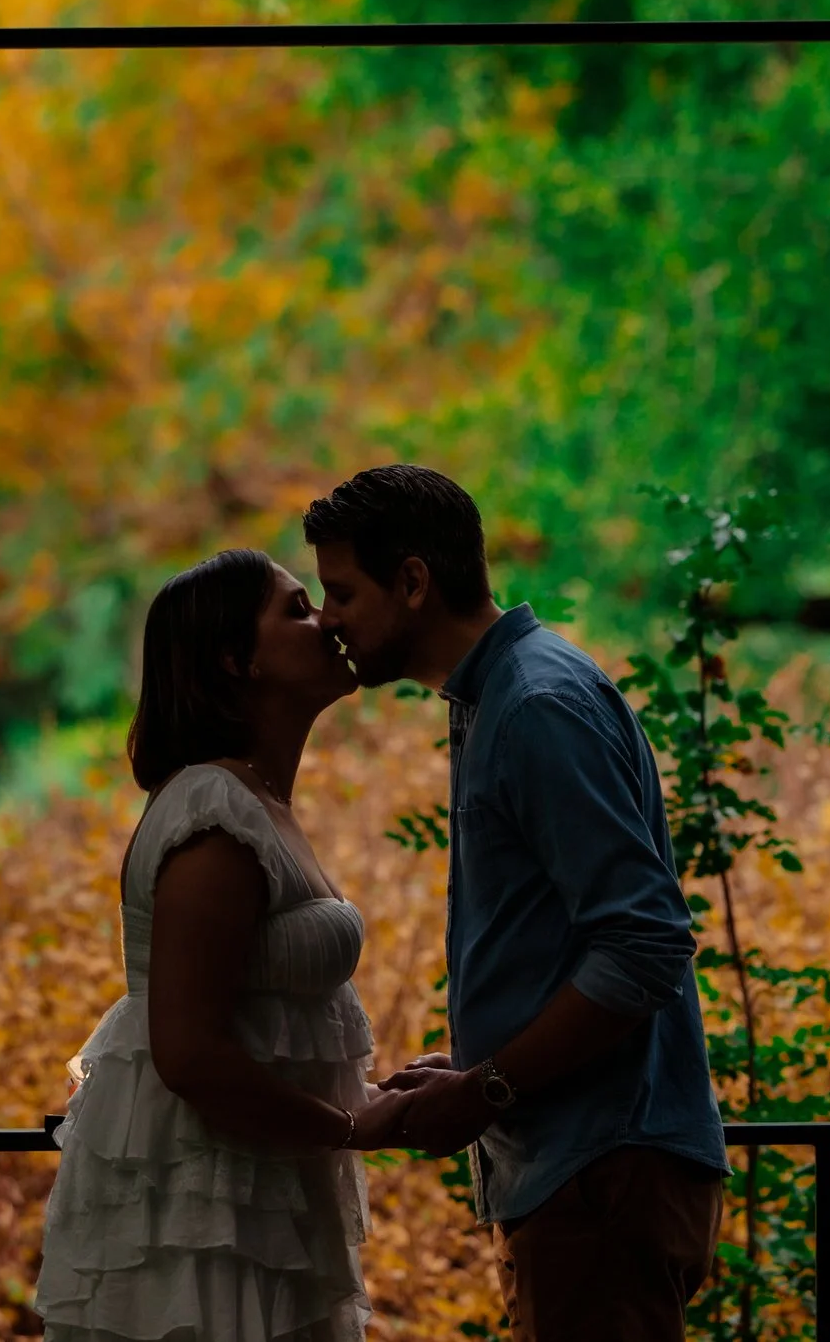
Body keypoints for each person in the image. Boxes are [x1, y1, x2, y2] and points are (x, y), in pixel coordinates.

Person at [306, 464, 728, 1342]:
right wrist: (471, 1064)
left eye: (341, 591)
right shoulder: (503, 696)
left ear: (414, 581)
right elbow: (569, 939)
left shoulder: (535, 705)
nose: (328, 618)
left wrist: (489, 1085)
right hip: (584, 1172)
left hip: (603, 1171)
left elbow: (644, 944)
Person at [36, 548, 412, 1342]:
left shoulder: (258, 800)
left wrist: (374, 1101)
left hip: (262, 1188)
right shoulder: (214, 813)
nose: (328, 621)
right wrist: (351, 1127)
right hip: (206, 1206)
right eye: (298, 608)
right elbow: (191, 1053)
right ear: (237, 659)